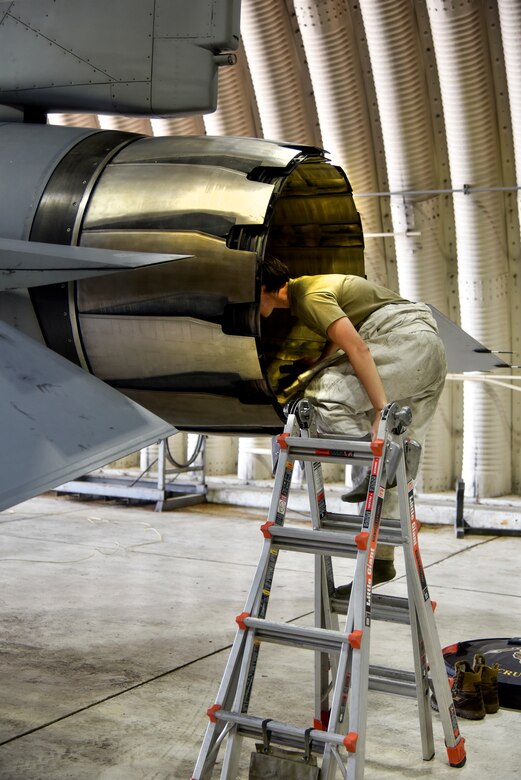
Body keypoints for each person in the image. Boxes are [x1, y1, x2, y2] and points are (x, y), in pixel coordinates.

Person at [260, 255, 447, 589]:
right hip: (429, 351)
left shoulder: (308, 297)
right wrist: (320, 360)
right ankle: (384, 560)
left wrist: (381, 409)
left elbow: (358, 349)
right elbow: (341, 336)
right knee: (399, 451)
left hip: (405, 342)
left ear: (264, 289)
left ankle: (368, 464)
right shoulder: (312, 288)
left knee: (324, 391)